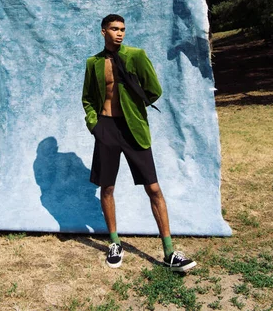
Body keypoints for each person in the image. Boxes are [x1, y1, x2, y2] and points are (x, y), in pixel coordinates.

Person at [82, 14, 196, 272]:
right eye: (114, 29)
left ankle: (169, 252)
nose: (119, 33)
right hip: (106, 129)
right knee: (107, 187)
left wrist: (134, 105)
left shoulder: (136, 56)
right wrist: (95, 125)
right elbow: (88, 98)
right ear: (103, 31)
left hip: (134, 129)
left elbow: (154, 89)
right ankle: (114, 243)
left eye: (122, 29)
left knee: (154, 188)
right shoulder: (93, 63)